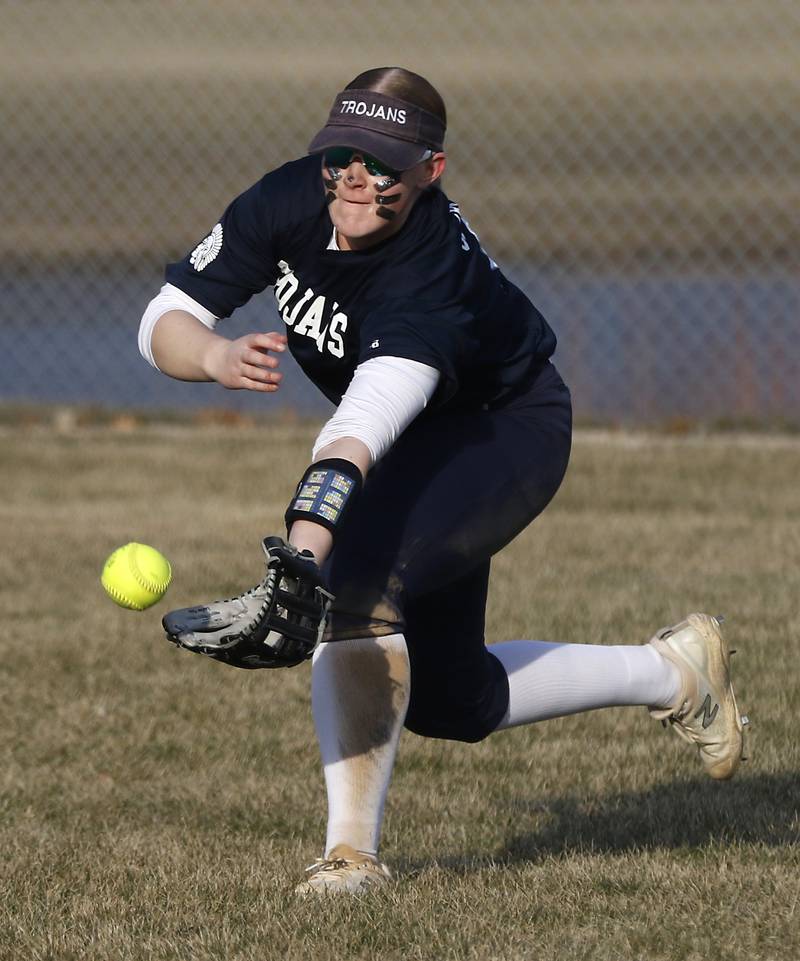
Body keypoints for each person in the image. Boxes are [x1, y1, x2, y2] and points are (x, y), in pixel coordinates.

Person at [139, 67, 748, 894]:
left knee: (357, 591)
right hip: (417, 440)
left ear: (432, 170)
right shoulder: (291, 198)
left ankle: (349, 857)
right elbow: (164, 318)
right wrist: (210, 355)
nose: (355, 179)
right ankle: (674, 672)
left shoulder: (429, 276)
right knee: (449, 702)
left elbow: (361, 428)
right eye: (340, 157)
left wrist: (304, 556)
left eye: (383, 164)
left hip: (504, 428)